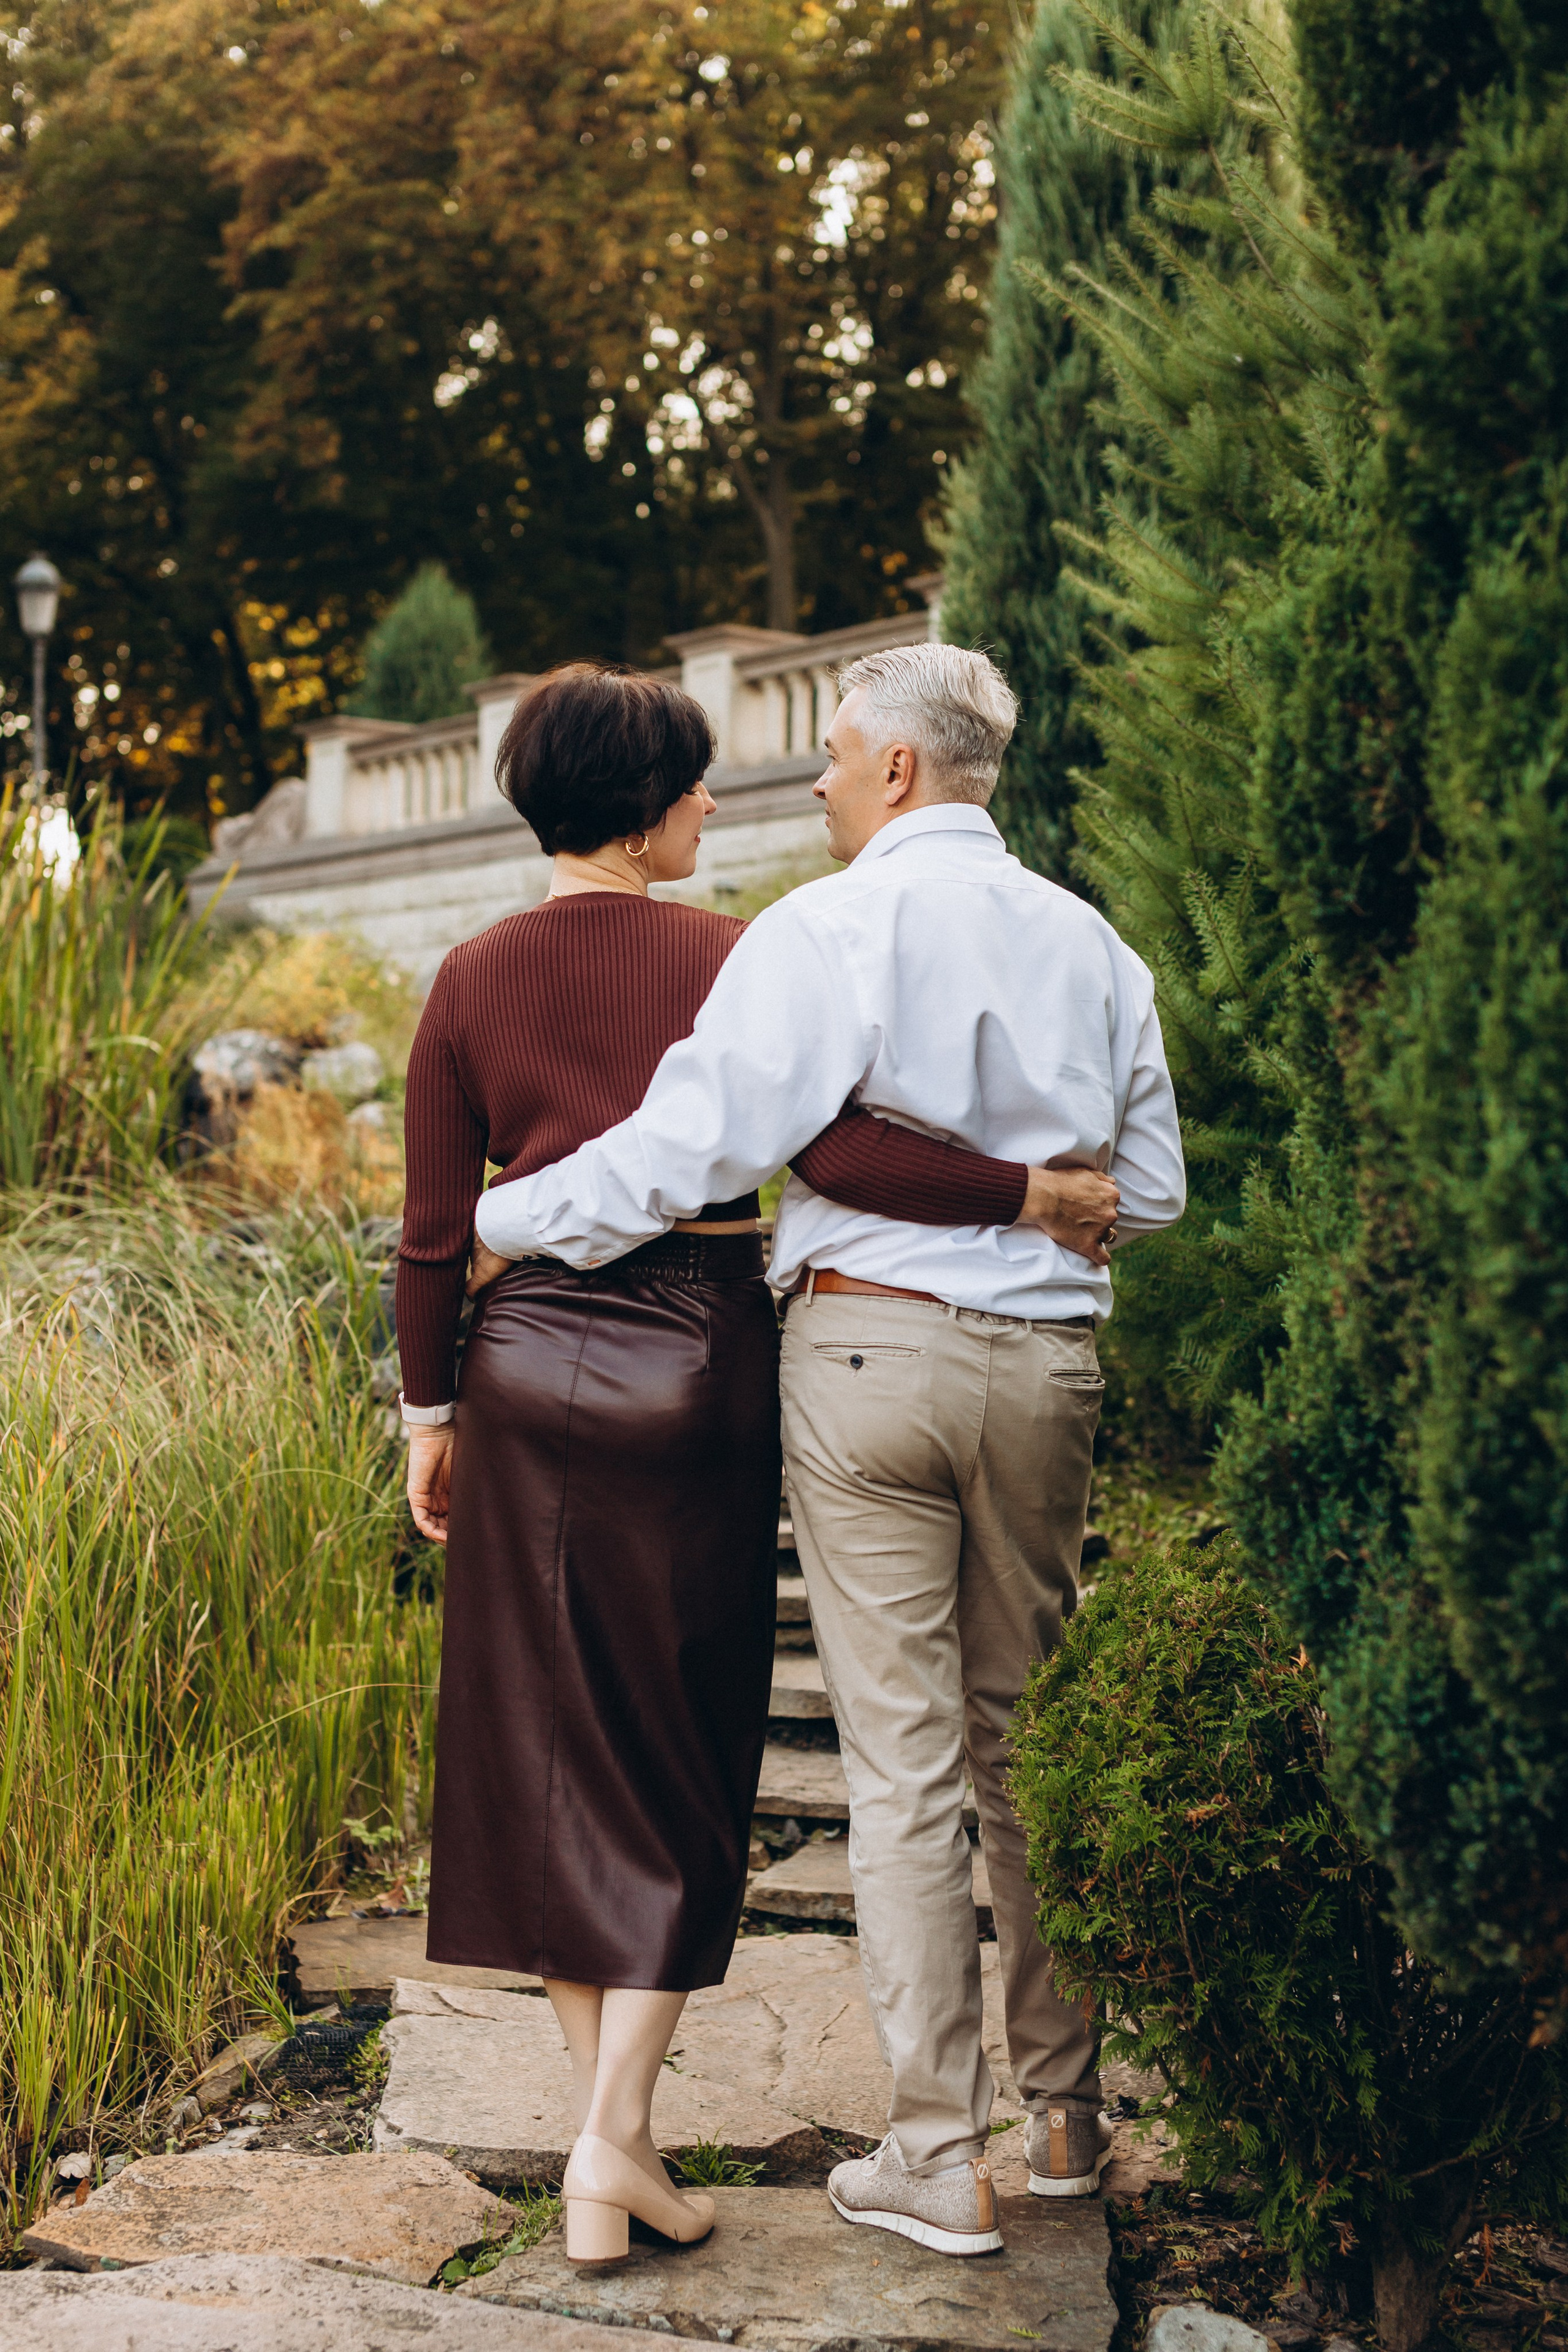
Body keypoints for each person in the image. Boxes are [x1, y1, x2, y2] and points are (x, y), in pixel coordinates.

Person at [394, 661, 1123, 2270]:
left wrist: (428, 1410)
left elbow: (437, 1228)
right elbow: (836, 1146)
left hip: (535, 1359)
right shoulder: (751, 949)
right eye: (696, 786)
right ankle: (630, 2142)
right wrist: (1028, 1196)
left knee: (559, 1745)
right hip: (715, 1353)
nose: (724, 802)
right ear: (644, 811)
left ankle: (631, 2143)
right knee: (694, 1737)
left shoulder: (472, 974)